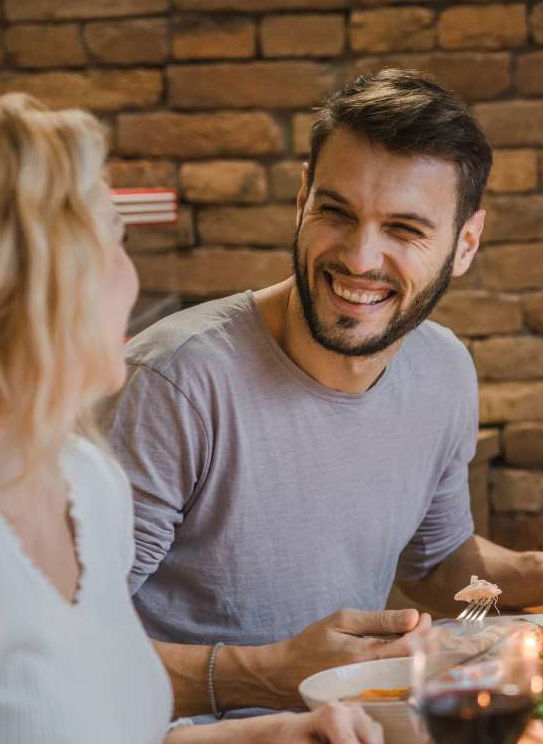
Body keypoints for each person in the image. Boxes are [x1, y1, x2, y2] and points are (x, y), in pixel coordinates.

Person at [105, 70, 543, 718]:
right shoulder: (174, 383)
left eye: (404, 229)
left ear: (465, 245)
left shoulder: (444, 370)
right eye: (336, 212)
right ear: (300, 202)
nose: (360, 258)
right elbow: (48, 646)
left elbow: (441, 573)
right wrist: (262, 674)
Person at [0, 94, 384, 743]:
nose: (133, 278)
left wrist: (277, 736)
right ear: (45, 285)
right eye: (116, 245)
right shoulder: (179, 378)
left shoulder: (84, 479)